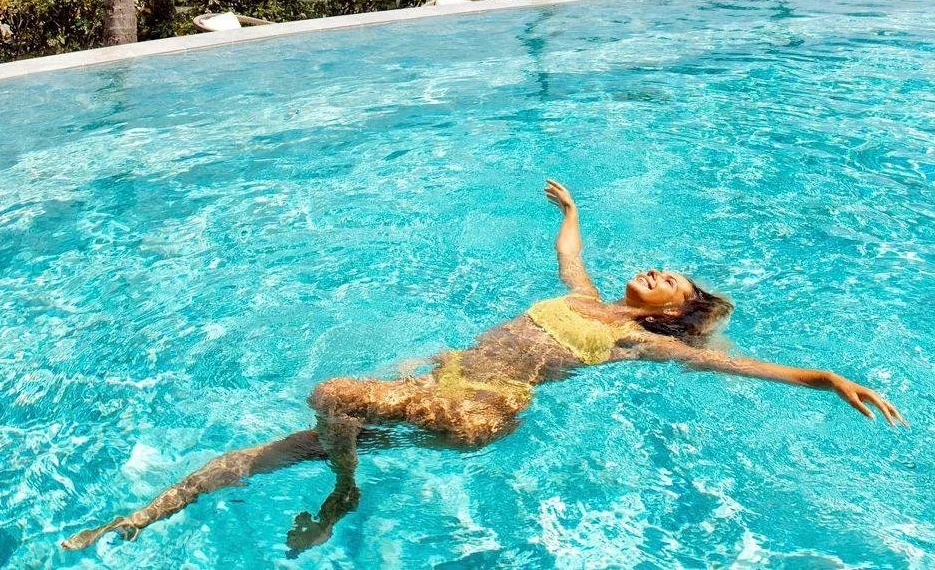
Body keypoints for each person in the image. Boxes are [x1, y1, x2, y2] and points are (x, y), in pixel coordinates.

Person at [62, 179, 903, 554]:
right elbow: (571, 253)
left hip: (482, 410)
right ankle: (131, 522)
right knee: (259, 453)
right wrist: (572, 210)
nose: (656, 270)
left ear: (675, 311)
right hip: (439, 385)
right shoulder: (583, 297)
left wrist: (825, 379)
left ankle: (345, 482)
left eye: (671, 279)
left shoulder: (641, 342)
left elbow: (739, 368)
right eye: (659, 267)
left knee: (334, 394)